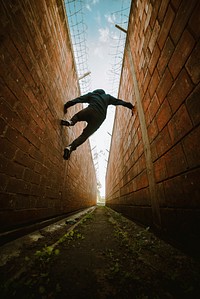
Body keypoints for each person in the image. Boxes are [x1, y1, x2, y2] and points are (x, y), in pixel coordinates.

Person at [61, 89, 135, 160]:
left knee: (77, 116)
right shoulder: (107, 97)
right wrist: (130, 106)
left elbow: (79, 99)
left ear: (96, 92)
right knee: (84, 135)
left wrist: (67, 105)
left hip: (90, 110)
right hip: (99, 118)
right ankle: (70, 147)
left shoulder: (92, 95)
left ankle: (71, 122)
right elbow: (118, 101)